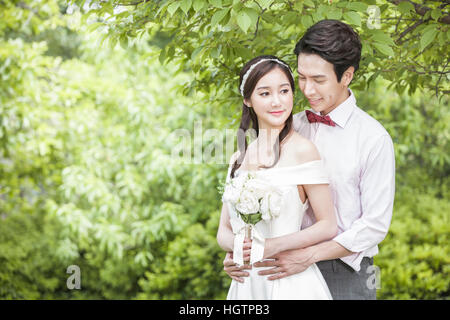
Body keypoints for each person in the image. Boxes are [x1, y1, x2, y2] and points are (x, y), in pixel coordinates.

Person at [222, 20, 396, 300]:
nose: (308, 90)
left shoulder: (373, 139)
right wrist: (241, 251)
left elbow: (374, 225)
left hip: (344, 271)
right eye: (302, 78)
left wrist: (308, 256)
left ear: (346, 76)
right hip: (275, 268)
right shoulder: (289, 125)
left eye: (318, 80)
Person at [217, 55, 338, 299]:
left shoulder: (304, 151)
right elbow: (223, 230)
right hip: (247, 283)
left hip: (288, 280)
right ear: (247, 100)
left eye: (284, 91)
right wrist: (237, 250)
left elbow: (328, 225)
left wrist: (272, 246)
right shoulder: (237, 158)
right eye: (264, 93)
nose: (277, 101)